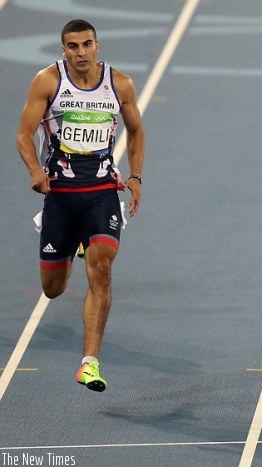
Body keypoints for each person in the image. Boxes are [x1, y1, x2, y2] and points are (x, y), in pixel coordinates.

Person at [16, 19, 145, 393]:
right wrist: (35, 169)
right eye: (73, 46)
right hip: (60, 195)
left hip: (102, 190)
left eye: (87, 44)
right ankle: (70, 248)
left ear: (97, 46)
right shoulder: (48, 82)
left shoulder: (119, 84)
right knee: (52, 289)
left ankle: (89, 362)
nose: (81, 52)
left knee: (101, 267)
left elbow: (136, 130)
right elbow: (23, 134)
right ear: (63, 51)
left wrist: (135, 178)